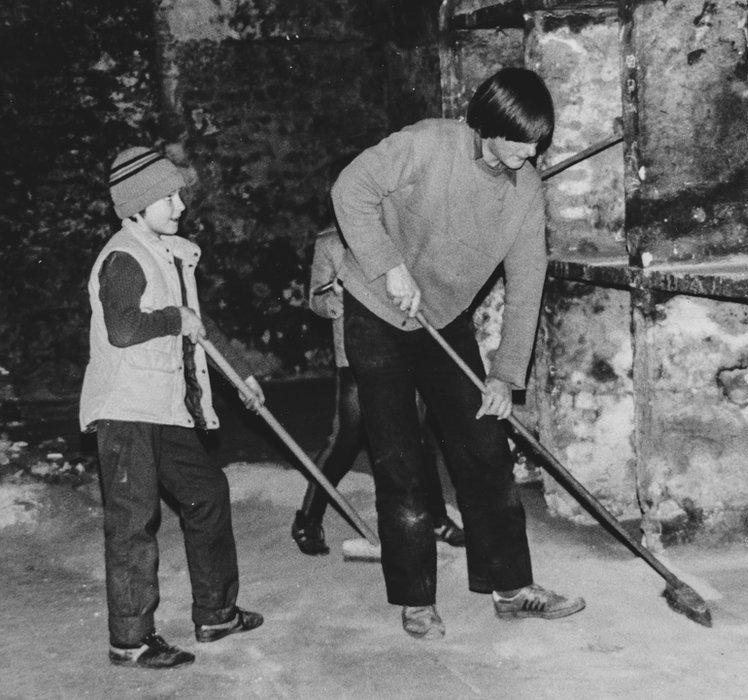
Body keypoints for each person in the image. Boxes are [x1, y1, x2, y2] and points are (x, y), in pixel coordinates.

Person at [331, 67, 585, 639]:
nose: (529, 151)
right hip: (376, 309)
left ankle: (512, 587)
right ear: (487, 125)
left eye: (538, 141)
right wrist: (389, 265)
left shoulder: (525, 190)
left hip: (443, 320)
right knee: (400, 462)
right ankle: (416, 598)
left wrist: (504, 375)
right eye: (519, 139)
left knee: (485, 450)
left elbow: (528, 282)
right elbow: (350, 188)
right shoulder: (427, 144)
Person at [80, 147, 265, 669]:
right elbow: (124, 327)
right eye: (168, 196)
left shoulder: (166, 250)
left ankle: (216, 612)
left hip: (163, 409)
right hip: (126, 412)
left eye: (180, 194)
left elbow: (197, 325)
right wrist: (174, 318)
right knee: (134, 522)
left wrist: (240, 373)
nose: (180, 204)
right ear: (137, 205)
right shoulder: (124, 256)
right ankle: (131, 641)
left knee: (207, 492)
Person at [291, 225, 465, 555]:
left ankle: (436, 518)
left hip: (405, 348)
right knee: (345, 438)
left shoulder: (400, 227)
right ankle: (308, 519)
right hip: (355, 355)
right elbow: (315, 299)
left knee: (419, 435)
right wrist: (334, 298)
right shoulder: (329, 241)